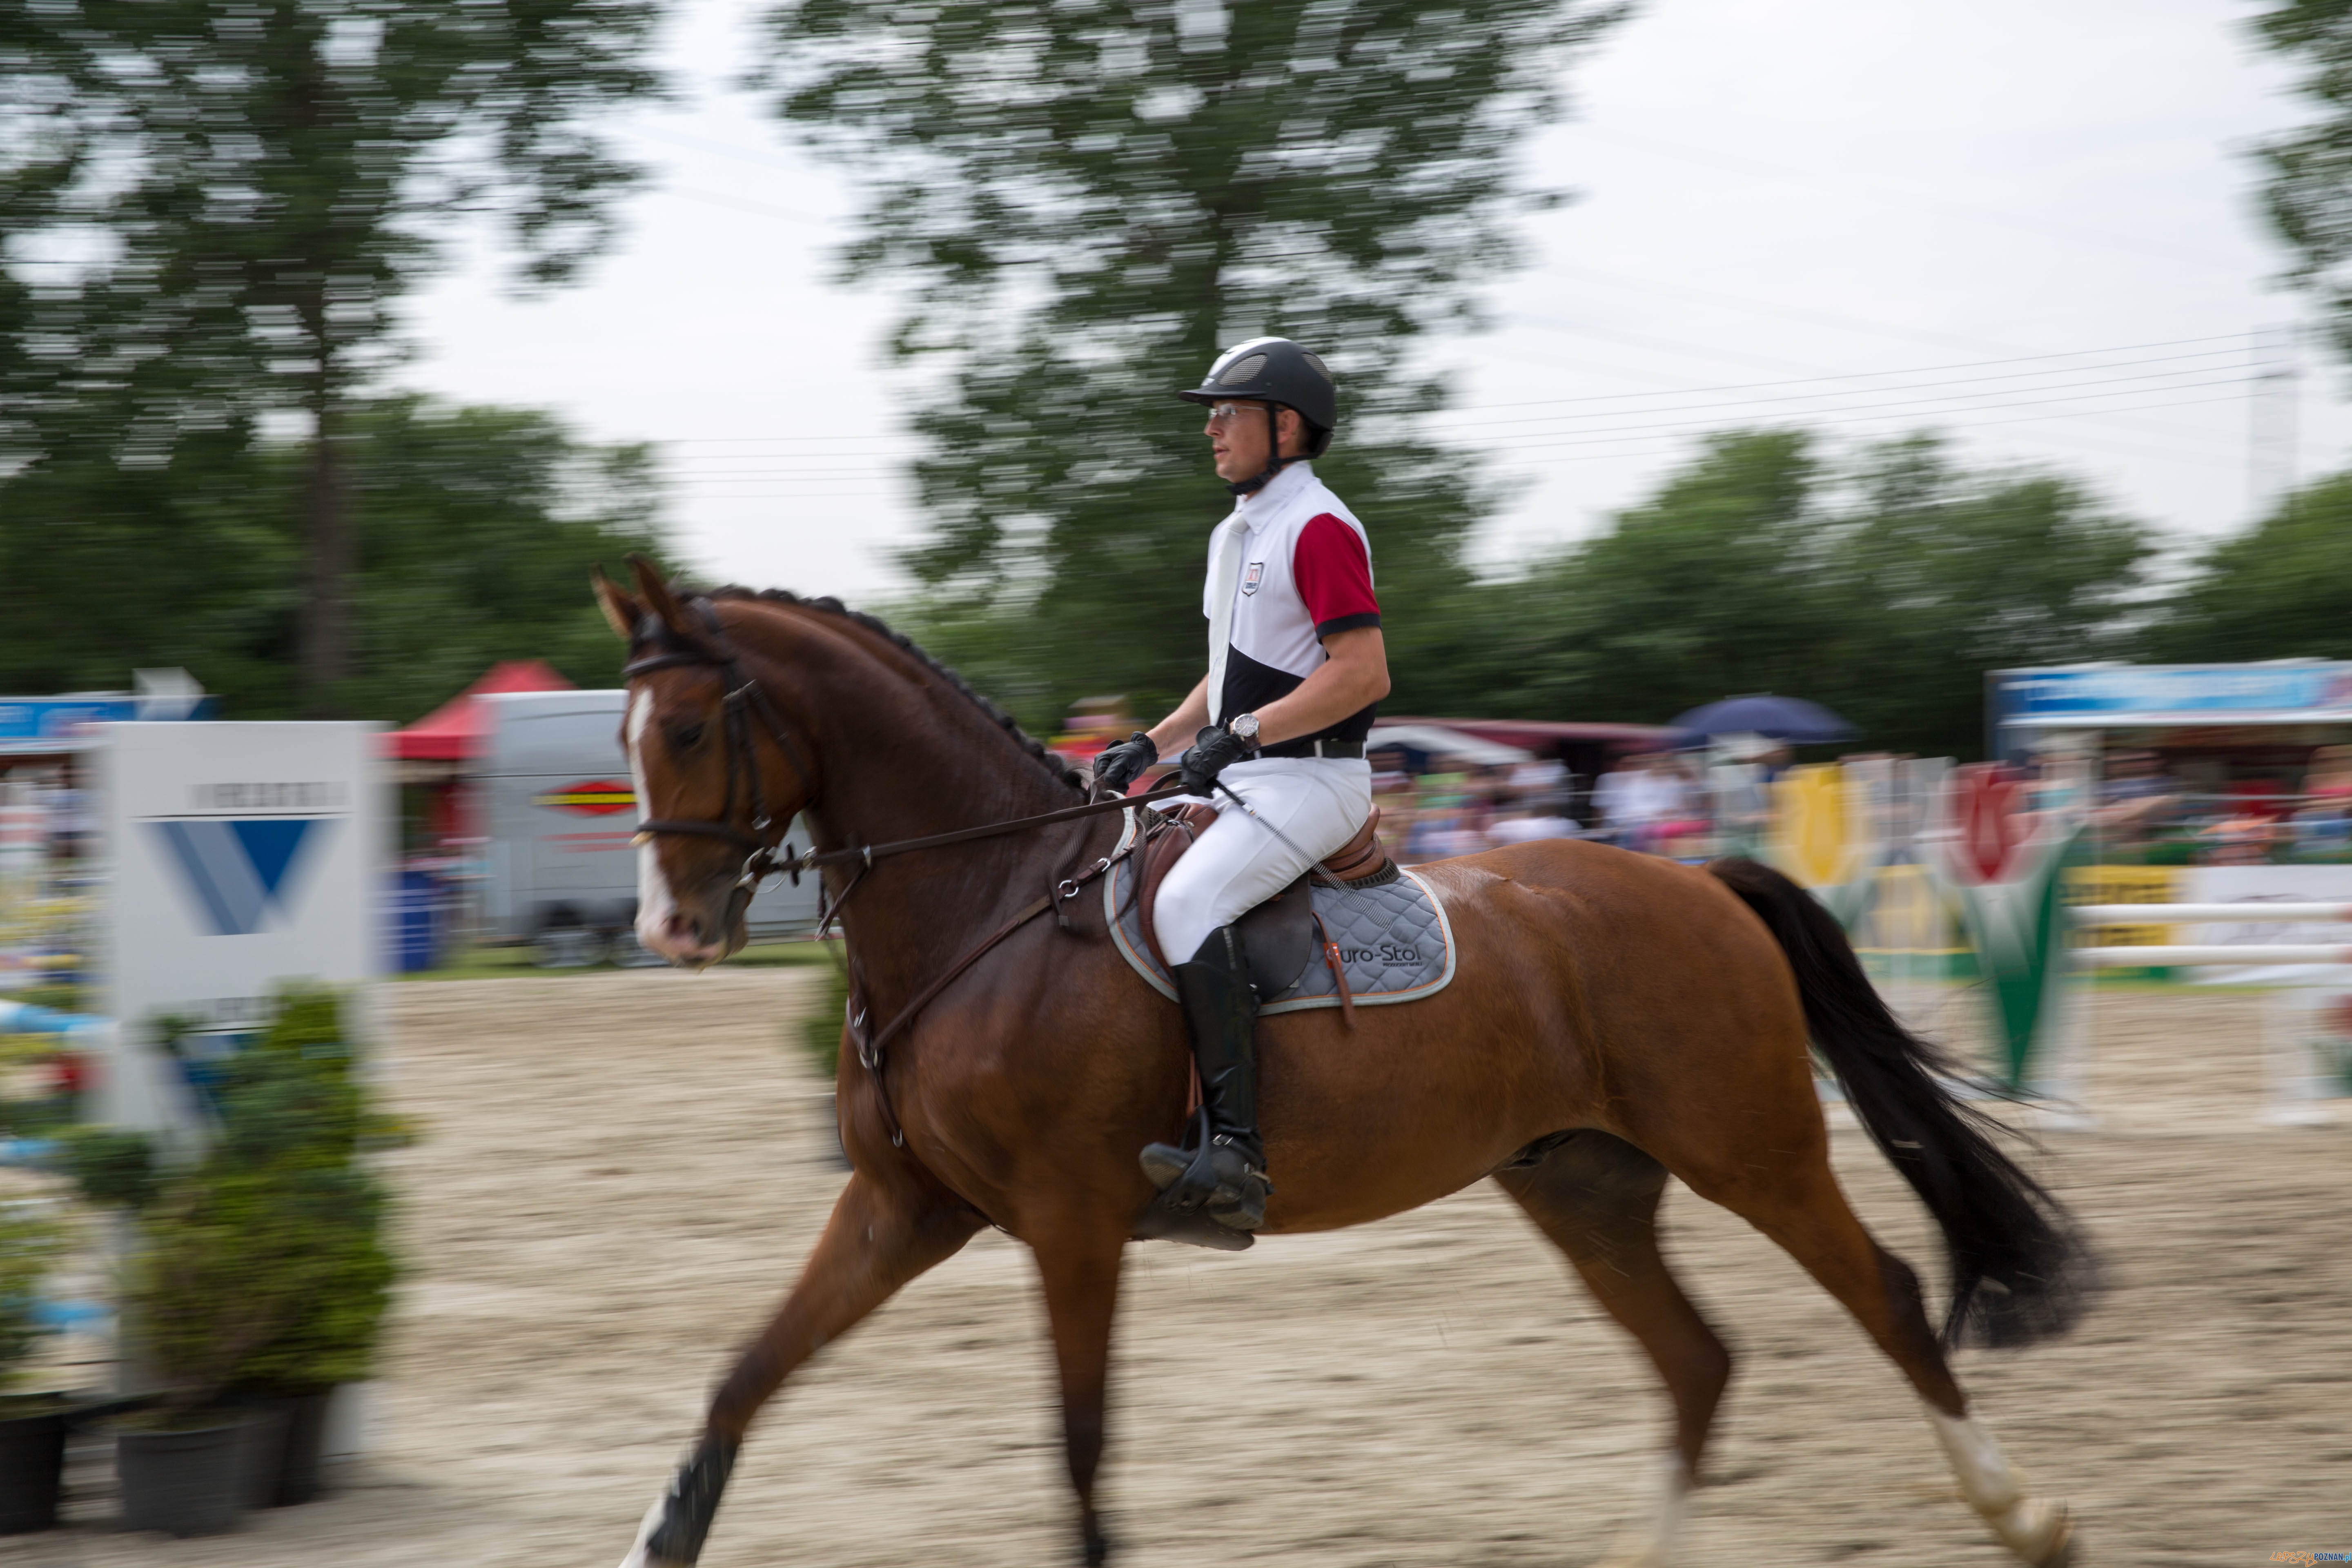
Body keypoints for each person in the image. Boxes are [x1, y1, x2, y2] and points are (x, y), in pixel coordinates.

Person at [1090, 337, 1389, 1235]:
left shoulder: (1319, 526)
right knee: (1118, 871)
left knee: (1186, 905)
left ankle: (1237, 1154)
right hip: (1247, 775)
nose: (1213, 431)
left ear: (1285, 427)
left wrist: (1245, 733)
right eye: (1211, 415)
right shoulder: (1238, 532)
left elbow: (1363, 673)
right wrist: (1153, 739)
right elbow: (1228, 679)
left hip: (1315, 780)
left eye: (1228, 413)